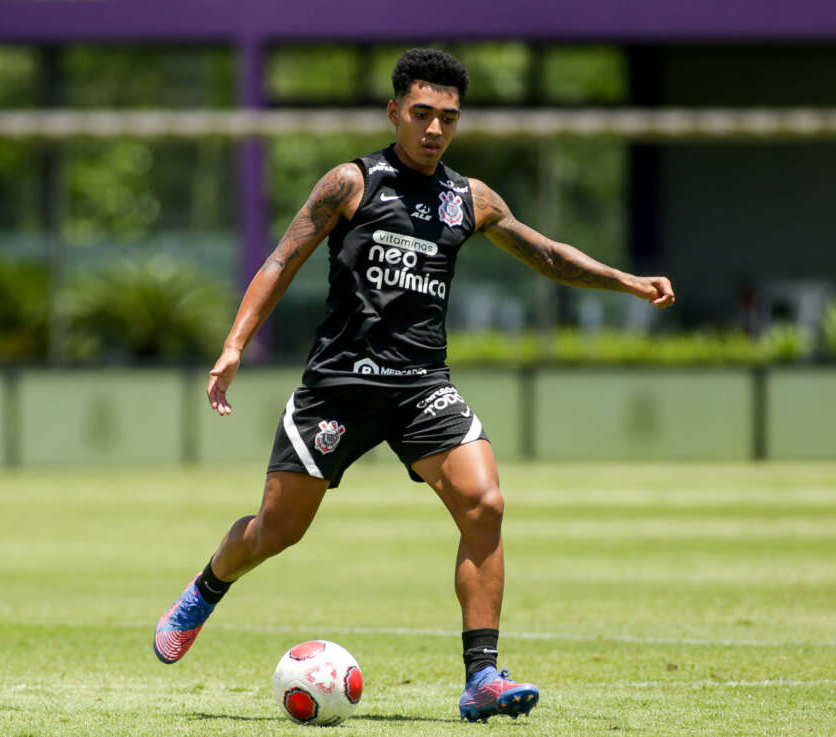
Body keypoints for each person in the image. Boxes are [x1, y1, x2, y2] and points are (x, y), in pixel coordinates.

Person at [154, 48, 675, 722]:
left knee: (485, 503)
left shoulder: (468, 199)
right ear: (395, 110)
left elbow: (545, 254)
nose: (434, 129)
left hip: (421, 386)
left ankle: (482, 675)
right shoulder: (351, 184)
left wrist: (626, 281)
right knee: (275, 531)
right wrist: (233, 345)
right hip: (337, 387)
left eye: (448, 119)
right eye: (422, 113)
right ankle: (207, 586)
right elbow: (281, 260)